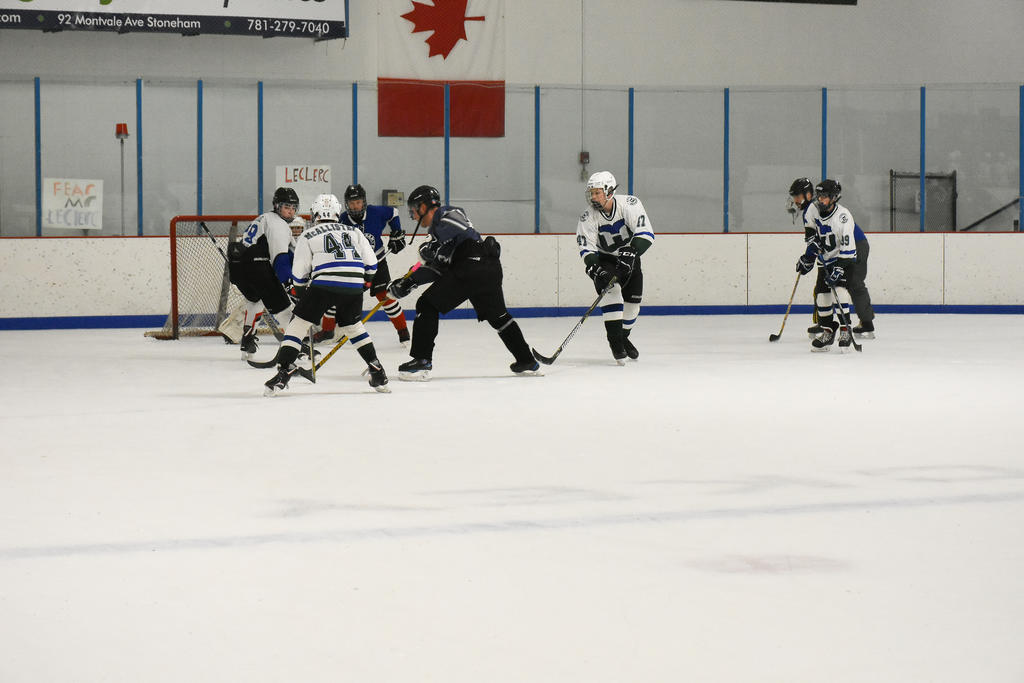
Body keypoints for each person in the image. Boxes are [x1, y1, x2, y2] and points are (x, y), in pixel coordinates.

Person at [385, 185, 539, 381]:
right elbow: (438, 269)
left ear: (423, 206)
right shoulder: (439, 234)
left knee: (426, 304)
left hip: (472, 267)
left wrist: (435, 245)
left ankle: (421, 361)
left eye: (414, 211)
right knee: (499, 318)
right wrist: (408, 282)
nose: (414, 217)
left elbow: (458, 226)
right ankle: (527, 361)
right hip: (486, 269)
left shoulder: (447, 214)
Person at [263, 193, 389, 396]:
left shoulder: (309, 234)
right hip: (353, 286)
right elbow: (372, 264)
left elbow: (299, 274)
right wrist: (363, 283)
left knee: (298, 324)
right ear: (337, 213)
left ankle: (284, 371)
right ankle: (377, 370)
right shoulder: (355, 231)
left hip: (323, 285)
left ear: (315, 214)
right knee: (353, 326)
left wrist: (301, 293)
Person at [315, 183, 410, 346]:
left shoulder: (376, 212)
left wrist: (396, 232)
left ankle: (403, 332)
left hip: (378, 262)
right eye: (351, 203)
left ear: (364, 202)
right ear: (346, 204)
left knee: (386, 296)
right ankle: (327, 331)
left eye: (358, 202)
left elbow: (394, 213)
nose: (355, 206)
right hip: (354, 266)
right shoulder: (342, 219)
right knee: (335, 297)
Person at [575, 171, 655, 363]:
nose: (593, 197)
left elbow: (645, 233)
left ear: (609, 191)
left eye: (597, 193)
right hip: (605, 259)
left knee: (633, 306)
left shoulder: (629, 204)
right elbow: (587, 247)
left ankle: (623, 338)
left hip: (630, 256)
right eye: (591, 193)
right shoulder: (588, 216)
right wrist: (594, 267)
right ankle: (616, 343)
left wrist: (632, 251)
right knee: (612, 290)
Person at [790, 177, 876, 339]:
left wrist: (809, 256)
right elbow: (815, 240)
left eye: (798, 196)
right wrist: (808, 258)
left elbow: (836, 237)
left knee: (853, 283)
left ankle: (866, 322)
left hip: (855, 245)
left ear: (808, 195)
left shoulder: (828, 209)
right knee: (821, 287)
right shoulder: (812, 210)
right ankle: (824, 323)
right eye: (794, 197)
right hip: (833, 250)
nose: (795, 201)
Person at [229, 186, 298, 359]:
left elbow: (290, 252)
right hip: (257, 268)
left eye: (293, 208)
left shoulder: (264, 218)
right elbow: (280, 259)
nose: (290, 211)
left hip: (239, 269)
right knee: (284, 310)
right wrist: (289, 285)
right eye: (286, 207)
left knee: (255, 301)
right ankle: (299, 347)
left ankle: (247, 341)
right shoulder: (278, 224)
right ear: (277, 206)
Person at [794, 179, 858, 351]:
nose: (820, 199)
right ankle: (828, 331)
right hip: (825, 261)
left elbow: (848, 250)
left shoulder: (843, 217)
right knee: (822, 297)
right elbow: (811, 238)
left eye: (824, 196)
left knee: (839, 292)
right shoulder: (812, 210)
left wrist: (838, 270)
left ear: (834, 197)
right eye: (819, 195)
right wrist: (808, 258)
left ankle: (845, 329)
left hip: (844, 260)